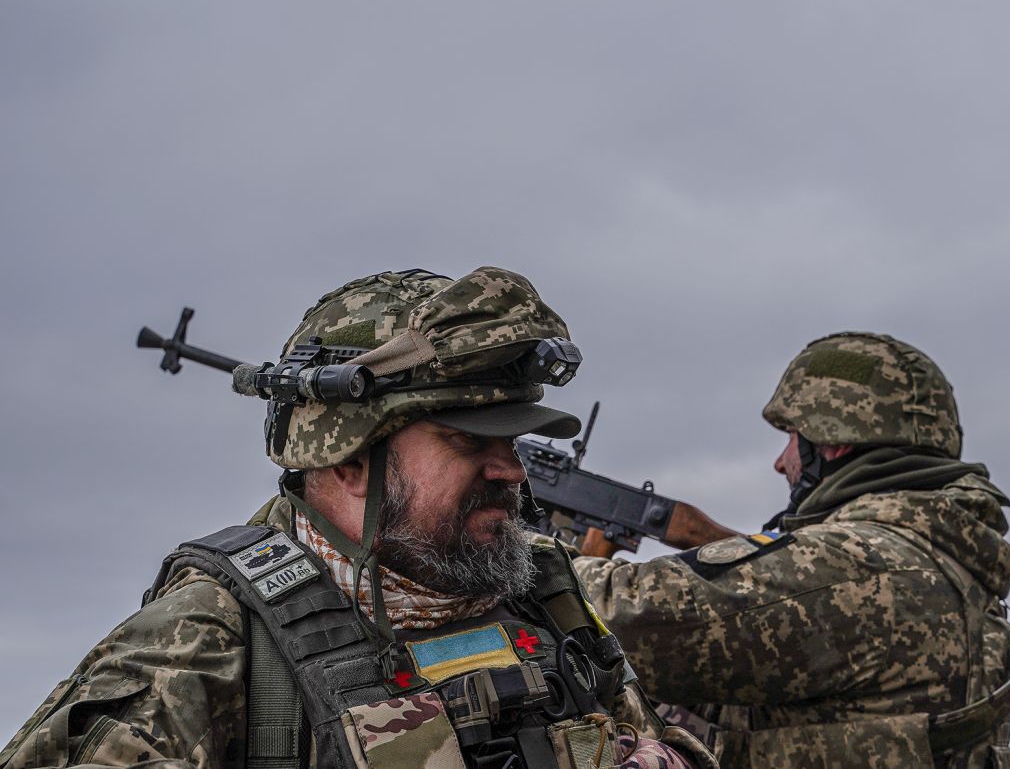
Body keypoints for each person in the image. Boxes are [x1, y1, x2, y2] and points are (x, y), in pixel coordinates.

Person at [1, 267, 715, 769]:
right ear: (347, 458)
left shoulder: (541, 589)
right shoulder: (207, 641)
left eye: (515, 442)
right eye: (471, 441)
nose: (513, 473)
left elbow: (646, 736)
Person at [574, 332, 1010, 769]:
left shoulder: (858, 564)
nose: (780, 461)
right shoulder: (944, 560)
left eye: (791, 436)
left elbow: (618, 621)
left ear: (832, 439)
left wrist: (551, 554)